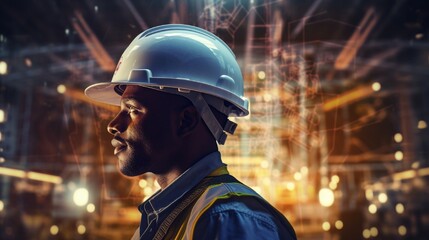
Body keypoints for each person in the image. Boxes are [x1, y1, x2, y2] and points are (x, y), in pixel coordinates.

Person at [85, 24, 296, 240]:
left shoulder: (227, 220)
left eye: (132, 110)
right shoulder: (166, 219)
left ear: (185, 121)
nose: (113, 125)